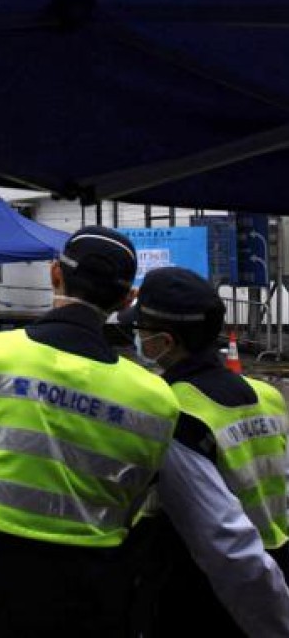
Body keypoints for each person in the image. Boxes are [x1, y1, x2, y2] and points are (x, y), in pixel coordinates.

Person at [0, 226, 289, 638]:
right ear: (125, 299)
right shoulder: (152, 398)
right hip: (83, 584)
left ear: (54, 273)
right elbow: (207, 522)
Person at [119, 267, 289, 637]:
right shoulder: (268, 396)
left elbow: (222, 538)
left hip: (207, 585)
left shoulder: (173, 410)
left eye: (141, 331)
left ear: (165, 341)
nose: (138, 338)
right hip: (273, 564)